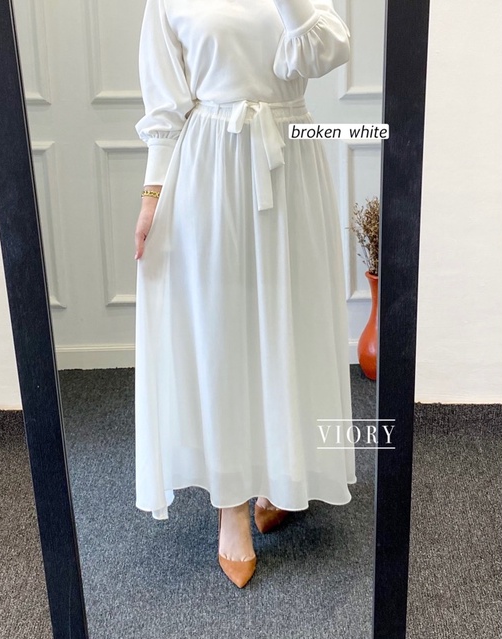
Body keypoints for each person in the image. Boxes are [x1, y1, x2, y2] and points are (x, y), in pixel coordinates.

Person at [133, 0, 356, 588]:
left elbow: (328, 49)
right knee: (221, 329)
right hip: (209, 164)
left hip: (290, 157)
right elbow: (165, 101)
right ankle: (231, 505)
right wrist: (152, 196)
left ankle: (279, 471)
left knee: (288, 320)